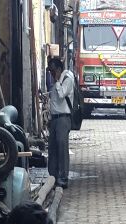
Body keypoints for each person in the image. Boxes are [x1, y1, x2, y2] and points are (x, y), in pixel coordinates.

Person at [48, 56, 76, 188]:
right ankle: (53, 177)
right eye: (50, 72)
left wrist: (58, 80)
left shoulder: (67, 79)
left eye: (53, 71)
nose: (52, 74)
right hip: (54, 119)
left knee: (62, 149)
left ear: (59, 69)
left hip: (63, 119)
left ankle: (63, 178)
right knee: (53, 149)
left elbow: (61, 95)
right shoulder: (56, 80)